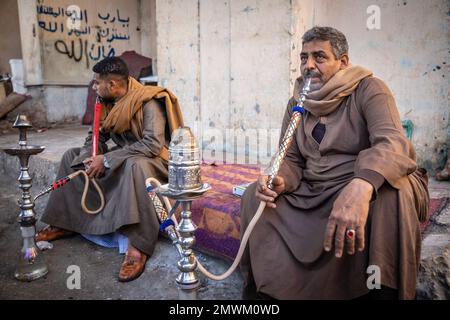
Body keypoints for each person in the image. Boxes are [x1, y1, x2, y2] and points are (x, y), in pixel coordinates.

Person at [239, 26, 429, 300]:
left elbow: (391, 143)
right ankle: (270, 294)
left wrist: (363, 185)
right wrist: (279, 178)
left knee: (392, 192)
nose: (309, 66)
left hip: (361, 182)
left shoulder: (369, 89)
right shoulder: (297, 101)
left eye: (320, 57)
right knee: (254, 198)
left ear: (343, 62)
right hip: (317, 188)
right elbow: (290, 158)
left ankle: (379, 291)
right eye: (304, 58)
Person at [36, 57, 183, 282]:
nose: (94, 87)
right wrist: (88, 158)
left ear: (112, 85)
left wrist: (106, 160)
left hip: (154, 162)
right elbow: (95, 137)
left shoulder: (148, 101)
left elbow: (152, 144)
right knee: (70, 156)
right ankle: (64, 223)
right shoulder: (105, 102)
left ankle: (137, 246)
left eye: (97, 83)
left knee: (135, 166)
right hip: (126, 157)